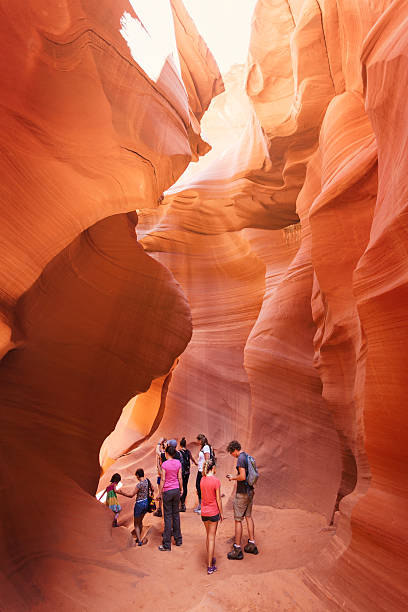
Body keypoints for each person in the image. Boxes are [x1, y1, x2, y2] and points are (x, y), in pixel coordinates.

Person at [226, 440, 258, 559]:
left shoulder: (240, 459)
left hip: (242, 493)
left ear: (234, 450)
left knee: (238, 520)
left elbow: (243, 476)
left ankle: (237, 549)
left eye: (231, 453)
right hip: (250, 491)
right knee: (248, 517)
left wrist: (233, 478)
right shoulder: (248, 456)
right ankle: (252, 544)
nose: (233, 456)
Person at [117, 468, 152, 546]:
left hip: (139, 504)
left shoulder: (139, 485)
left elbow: (131, 495)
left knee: (136, 524)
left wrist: (121, 493)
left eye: (136, 476)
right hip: (146, 503)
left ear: (138, 475)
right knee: (140, 521)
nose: (136, 477)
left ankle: (139, 541)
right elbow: (152, 488)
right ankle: (139, 537)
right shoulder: (147, 481)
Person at [200, 458, 223, 574]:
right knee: (212, 537)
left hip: (204, 512)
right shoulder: (216, 481)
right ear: (213, 468)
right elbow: (218, 499)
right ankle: (210, 566)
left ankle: (210, 558)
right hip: (213, 512)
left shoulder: (202, 480)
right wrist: (221, 513)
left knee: (208, 535)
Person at [158, 445, 183, 551]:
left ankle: (167, 544)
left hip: (167, 491)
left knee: (168, 517)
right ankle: (178, 540)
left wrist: (160, 492)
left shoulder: (164, 464)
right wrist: (181, 489)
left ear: (167, 453)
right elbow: (180, 477)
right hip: (176, 490)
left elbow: (163, 479)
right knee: (176, 515)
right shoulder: (178, 463)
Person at [179, 437, 197, 512]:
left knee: (180, 487)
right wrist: (196, 463)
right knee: (185, 487)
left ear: (180, 445)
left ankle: (181, 504)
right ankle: (183, 504)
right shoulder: (188, 452)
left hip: (181, 472)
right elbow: (192, 458)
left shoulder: (179, 452)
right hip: (187, 472)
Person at [194, 434, 212, 514]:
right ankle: (201, 505)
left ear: (200, 440)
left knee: (202, 488)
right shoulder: (203, 447)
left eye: (198, 440)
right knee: (198, 487)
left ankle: (203, 507)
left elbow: (207, 460)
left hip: (203, 472)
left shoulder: (206, 447)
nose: (197, 442)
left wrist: (205, 472)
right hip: (200, 470)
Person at [153, 437, 167, 517]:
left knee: (160, 492)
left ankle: (159, 510)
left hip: (161, 475)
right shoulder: (168, 453)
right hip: (165, 475)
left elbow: (158, 465)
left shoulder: (162, 454)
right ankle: (160, 509)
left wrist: (158, 443)